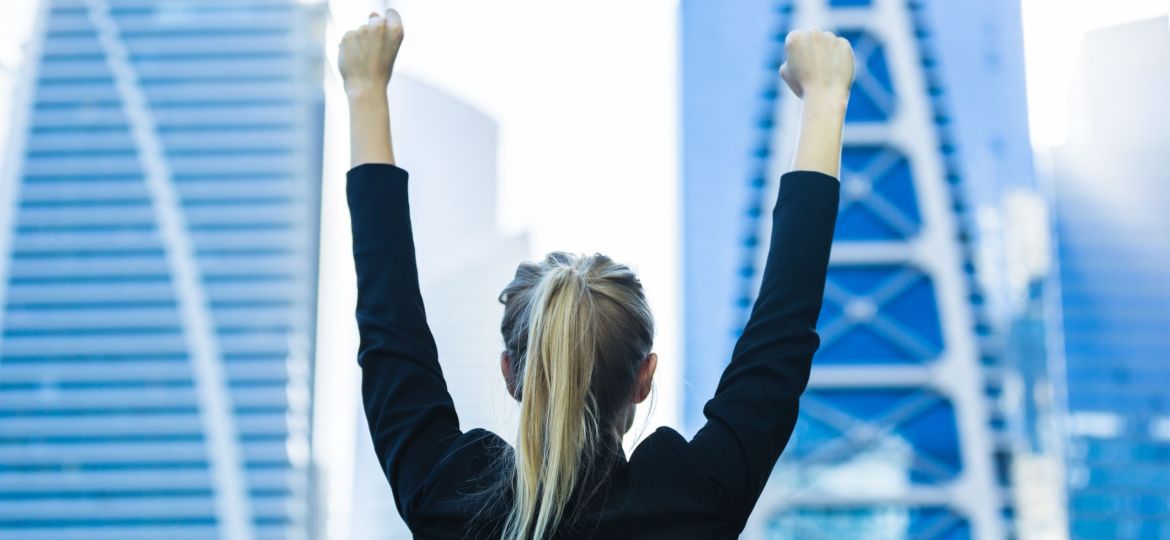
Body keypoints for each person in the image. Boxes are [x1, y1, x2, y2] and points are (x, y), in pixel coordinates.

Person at [340, 10, 854, 540]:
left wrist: (364, 88)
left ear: (511, 375)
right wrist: (826, 97)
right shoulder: (694, 501)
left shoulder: (450, 498)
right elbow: (781, 340)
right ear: (644, 377)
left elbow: (389, 327)